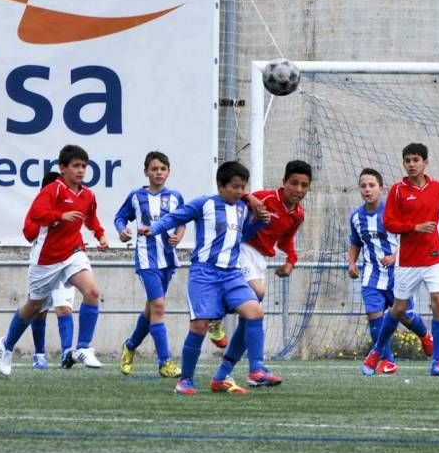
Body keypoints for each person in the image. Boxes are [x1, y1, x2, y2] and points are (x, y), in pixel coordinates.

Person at [140, 160, 278, 395]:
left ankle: (256, 369)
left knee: (254, 311)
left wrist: (259, 224)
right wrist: (154, 229)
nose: (239, 191)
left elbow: (241, 235)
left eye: (243, 187)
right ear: (221, 185)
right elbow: (176, 217)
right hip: (204, 274)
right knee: (200, 326)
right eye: (235, 186)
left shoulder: (242, 208)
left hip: (232, 274)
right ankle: (185, 380)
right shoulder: (204, 204)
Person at [0, 144, 109, 376]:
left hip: (73, 252)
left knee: (93, 292)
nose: (80, 171)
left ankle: (83, 347)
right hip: (46, 258)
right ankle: (6, 345)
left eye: (84, 166)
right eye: (76, 166)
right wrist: (59, 216)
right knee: (34, 306)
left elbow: (90, 217)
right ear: (63, 168)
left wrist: (100, 235)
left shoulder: (87, 195)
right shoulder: (53, 190)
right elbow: (37, 214)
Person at [206, 160, 310, 386]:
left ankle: (223, 374)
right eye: (294, 183)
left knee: (251, 315)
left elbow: (286, 240)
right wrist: (250, 198)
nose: (299, 190)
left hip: (259, 259)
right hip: (242, 249)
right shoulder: (267, 198)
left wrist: (291, 260)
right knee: (257, 295)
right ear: (284, 182)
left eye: (304, 185)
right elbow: (237, 193)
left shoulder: (298, 214)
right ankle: (215, 317)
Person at [361, 143, 439, 377]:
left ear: (425, 163)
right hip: (407, 261)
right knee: (398, 310)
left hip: (433, 257)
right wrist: (414, 227)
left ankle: (438, 362)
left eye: (416, 159)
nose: (411, 164)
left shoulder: (438, 188)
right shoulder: (398, 190)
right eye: (407, 160)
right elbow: (389, 223)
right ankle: (376, 352)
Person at [348, 168, 433, 374]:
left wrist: (394, 257)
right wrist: (351, 263)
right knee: (373, 314)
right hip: (371, 275)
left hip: (398, 273)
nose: (367, 190)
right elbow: (355, 242)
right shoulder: (356, 217)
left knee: (403, 315)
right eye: (363, 186)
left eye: (371, 185)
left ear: (381, 188)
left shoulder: (393, 213)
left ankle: (425, 335)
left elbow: (408, 238)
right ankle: (387, 361)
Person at [114, 151, 184, 378]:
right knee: (159, 308)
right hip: (147, 260)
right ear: (146, 172)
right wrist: (122, 231)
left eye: (162, 169)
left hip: (168, 259)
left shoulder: (175, 197)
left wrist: (179, 237)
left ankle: (130, 346)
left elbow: (182, 221)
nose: (158, 173)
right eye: (154, 169)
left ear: (169, 171)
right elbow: (120, 217)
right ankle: (165, 362)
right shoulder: (136, 196)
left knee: (152, 309)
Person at [26, 171, 76, 370]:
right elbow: (28, 233)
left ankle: (66, 353)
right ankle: (39, 354)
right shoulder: (38, 209)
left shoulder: (72, 207)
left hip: (65, 263)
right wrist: (51, 221)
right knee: (39, 309)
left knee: (64, 307)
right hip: (43, 264)